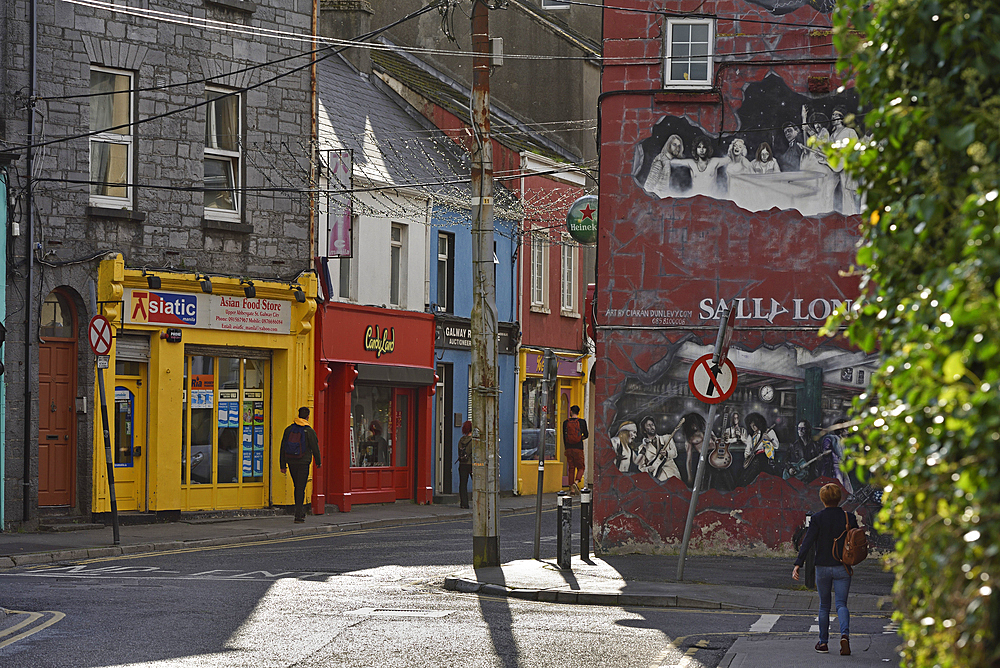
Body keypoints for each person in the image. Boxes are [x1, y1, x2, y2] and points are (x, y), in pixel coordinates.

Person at [793, 483, 859, 656]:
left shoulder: (817, 518)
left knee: (824, 606)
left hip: (822, 567)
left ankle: (823, 643)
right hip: (843, 567)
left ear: (822, 499)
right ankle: (844, 635)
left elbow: (807, 542)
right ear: (839, 498)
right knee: (841, 605)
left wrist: (798, 563)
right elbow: (857, 541)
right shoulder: (848, 517)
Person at [279, 407, 321, 523]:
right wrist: (318, 462)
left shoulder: (288, 430)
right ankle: (298, 515)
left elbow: (283, 447)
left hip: (291, 462)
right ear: (308, 416)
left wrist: (282, 465)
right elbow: (315, 448)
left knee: (296, 486)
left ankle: (299, 511)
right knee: (300, 488)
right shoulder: (309, 431)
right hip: (303, 463)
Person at [636, 415, 681, 482]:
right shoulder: (642, 447)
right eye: (648, 425)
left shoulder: (667, 438)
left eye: (652, 424)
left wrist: (667, 453)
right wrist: (649, 469)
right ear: (644, 430)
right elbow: (641, 467)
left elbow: (675, 453)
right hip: (657, 478)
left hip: (672, 474)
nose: (652, 427)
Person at [562, 405, 589, 494]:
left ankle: (572, 489)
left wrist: (566, 448)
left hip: (569, 448)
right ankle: (576, 482)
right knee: (581, 467)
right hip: (578, 448)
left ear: (571, 412)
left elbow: (564, 436)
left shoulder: (566, 423)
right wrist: (580, 438)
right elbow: (586, 434)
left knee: (571, 468)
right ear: (578, 412)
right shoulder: (582, 422)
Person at [457, 420, 473, 509]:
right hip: (471, 464)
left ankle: (464, 503)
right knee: (477, 484)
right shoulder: (474, 440)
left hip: (462, 464)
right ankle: (478, 502)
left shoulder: (461, 440)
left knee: (463, 484)